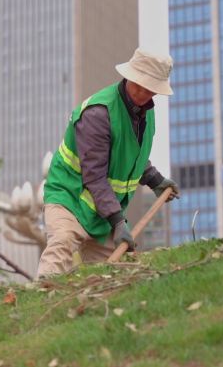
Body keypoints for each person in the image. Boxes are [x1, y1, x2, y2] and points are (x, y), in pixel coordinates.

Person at [37, 48, 179, 278]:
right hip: (70, 197)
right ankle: (41, 298)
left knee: (114, 276)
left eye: (150, 89)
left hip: (101, 209)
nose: (142, 93)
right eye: (139, 85)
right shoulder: (99, 114)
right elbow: (94, 175)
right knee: (62, 243)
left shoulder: (145, 112)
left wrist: (155, 179)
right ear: (129, 77)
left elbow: (130, 154)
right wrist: (118, 221)